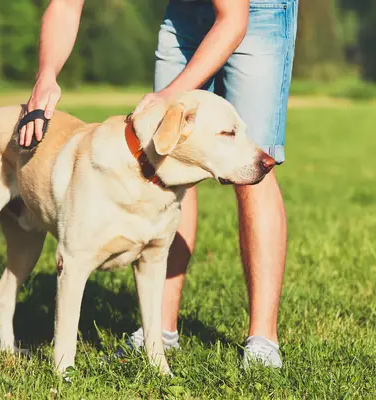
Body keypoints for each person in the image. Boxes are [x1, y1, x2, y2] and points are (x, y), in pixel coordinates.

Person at [21, 0, 298, 368]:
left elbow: (233, 19)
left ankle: (262, 340)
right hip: (185, 11)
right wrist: (46, 76)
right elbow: (66, 6)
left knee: (252, 167)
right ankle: (161, 333)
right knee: (168, 153)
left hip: (255, 10)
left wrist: (172, 96)